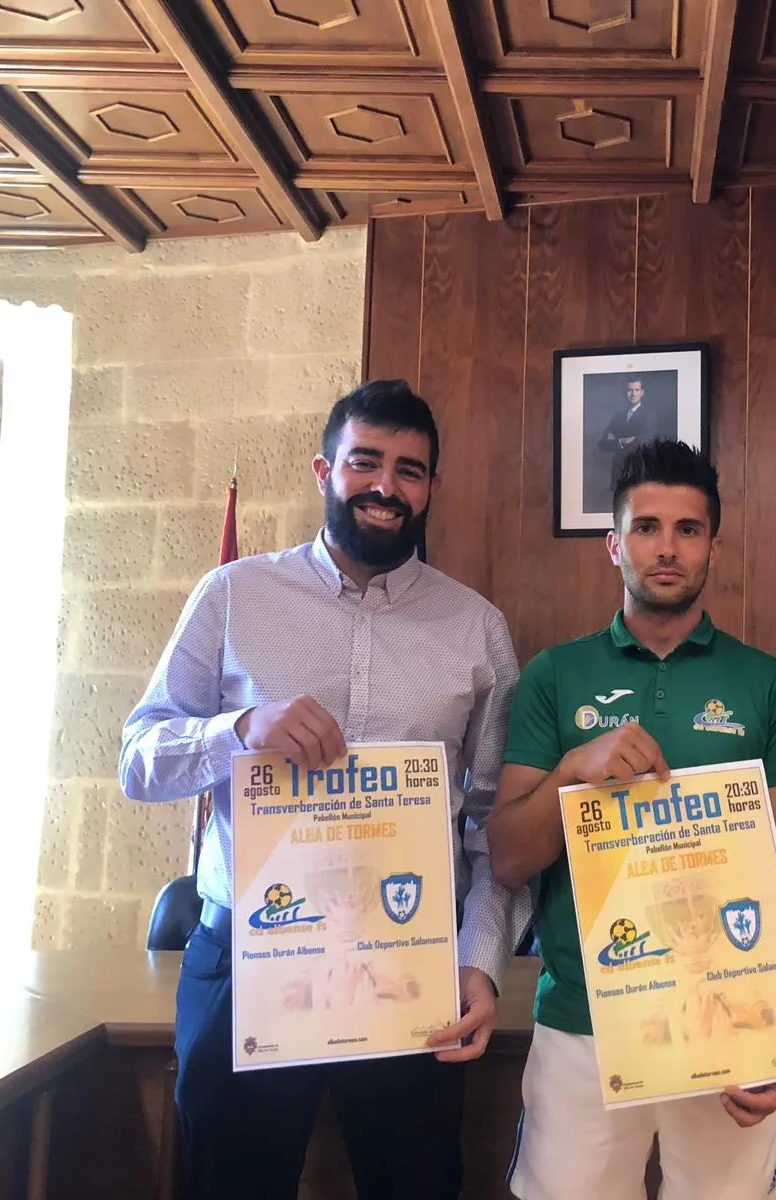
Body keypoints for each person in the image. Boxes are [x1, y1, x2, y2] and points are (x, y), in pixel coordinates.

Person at [119, 379, 531, 1200]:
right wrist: (236, 730)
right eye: (365, 462)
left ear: (431, 489)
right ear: (324, 469)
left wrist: (479, 962)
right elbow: (138, 760)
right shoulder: (234, 595)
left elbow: (493, 828)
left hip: (410, 965)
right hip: (246, 957)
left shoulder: (478, 628)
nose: (386, 487)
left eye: (409, 471)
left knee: (415, 1184)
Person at [489, 439, 776, 1199]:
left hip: (729, 1017)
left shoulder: (770, 684)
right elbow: (509, 856)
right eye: (646, 527)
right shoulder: (554, 675)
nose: (665, 548)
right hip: (582, 1018)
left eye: (687, 529)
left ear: (713, 545)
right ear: (614, 543)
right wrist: (575, 769)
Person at [598, 377, 655, 453]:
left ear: (642, 393)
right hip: (620, 462)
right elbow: (603, 443)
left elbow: (647, 440)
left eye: (637, 390)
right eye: (630, 390)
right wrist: (621, 441)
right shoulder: (618, 417)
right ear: (625, 392)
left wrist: (616, 438)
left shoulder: (649, 415)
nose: (633, 394)